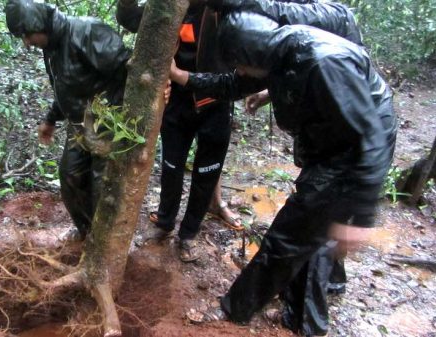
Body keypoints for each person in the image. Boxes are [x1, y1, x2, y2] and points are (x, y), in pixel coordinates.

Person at [169, 10, 396, 336]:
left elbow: (369, 138)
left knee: (290, 238)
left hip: (354, 149)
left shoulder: (322, 62)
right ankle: (305, 308)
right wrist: (183, 77)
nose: (241, 70)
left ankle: (243, 311)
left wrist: (361, 217)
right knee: (310, 230)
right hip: (330, 141)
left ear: (252, 54)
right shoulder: (277, 51)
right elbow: (234, 84)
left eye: (240, 63)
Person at [116, 0, 316, 262]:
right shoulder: (169, 7)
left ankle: (188, 234)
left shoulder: (223, 10)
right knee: (171, 168)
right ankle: (164, 223)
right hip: (177, 102)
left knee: (206, 174)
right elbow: (131, 19)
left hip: (216, 101)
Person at [5, 0, 131, 240]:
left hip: (109, 121)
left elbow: (128, 68)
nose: (27, 43)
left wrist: (120, 116)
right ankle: (87, 233)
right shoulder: (51, 48)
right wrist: (51, 120)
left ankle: (105, 242)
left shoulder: (86, 31)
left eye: (28, 35)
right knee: (70, 174)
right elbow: (66, 89)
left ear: (40, 24)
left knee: (102, 184)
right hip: (80, 123)